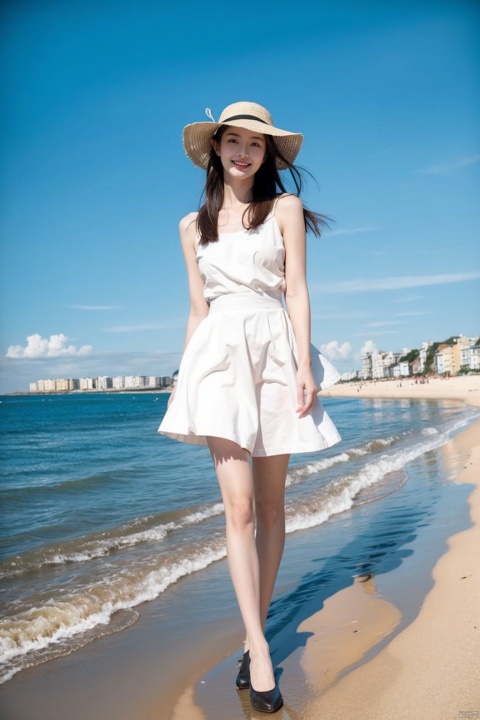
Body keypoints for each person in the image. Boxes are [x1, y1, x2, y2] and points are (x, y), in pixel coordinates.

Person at [159, 101, 341, 713]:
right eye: (232, 140)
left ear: (267, 155)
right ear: (215, 150)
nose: (242, 151)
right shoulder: (192, 225)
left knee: (269, 504)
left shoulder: (283, 209)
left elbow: (296, 289)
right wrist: (186, 377)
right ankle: (260, 649)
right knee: (236, 509)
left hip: (275, 353)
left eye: (255, 144)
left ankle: (250, 630)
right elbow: (196, 308)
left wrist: (306, 365)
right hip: (217, 362)